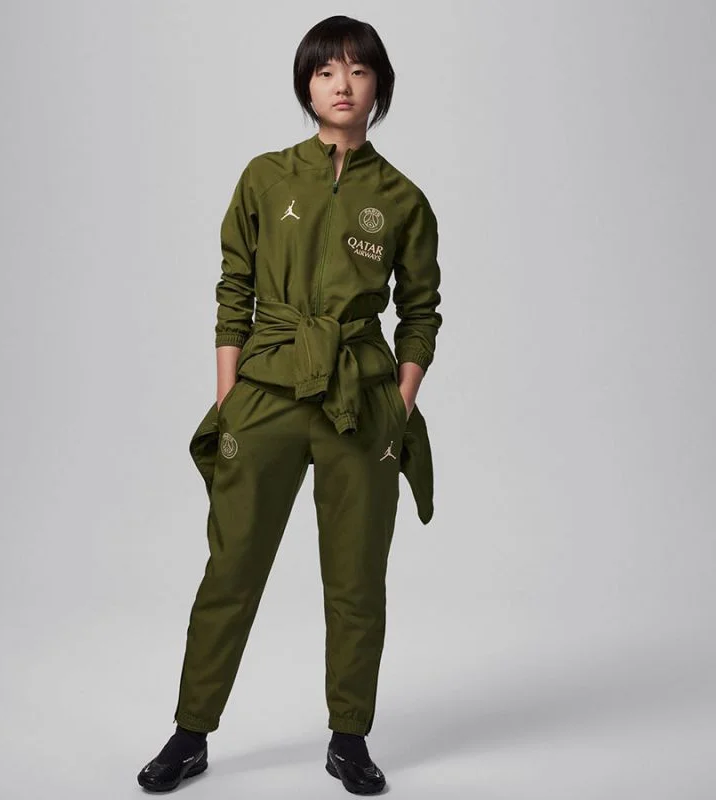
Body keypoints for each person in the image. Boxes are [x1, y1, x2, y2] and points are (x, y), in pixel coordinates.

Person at [138, 14, 443, 795]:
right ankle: (190, 733)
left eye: (359, 70)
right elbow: (233, 287)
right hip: (267, 391)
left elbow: (421, 311)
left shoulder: (403, 199)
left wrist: (401, 402)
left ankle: (350, 739)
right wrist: (229, 397)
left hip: (359, 399)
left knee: (356, 579)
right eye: (326, 70)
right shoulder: (265, 176)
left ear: (379, 86)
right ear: (306, 86)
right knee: (232, 567)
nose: (343, 84)